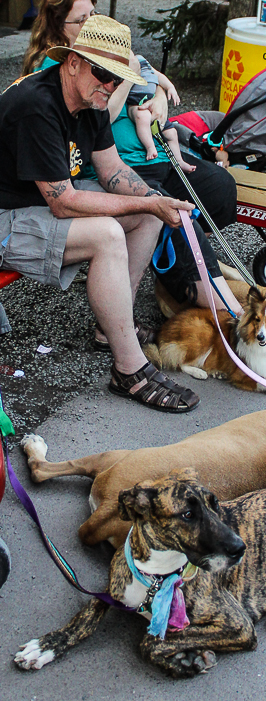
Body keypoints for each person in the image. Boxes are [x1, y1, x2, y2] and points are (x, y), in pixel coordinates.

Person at [0, 14, 202, 413]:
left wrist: (156, 199)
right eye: (101, 73)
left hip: (35, 203)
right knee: (108, 234)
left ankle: (114, 330)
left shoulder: (91, 99)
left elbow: (111, 171)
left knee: (148, 214)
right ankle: (130, 369)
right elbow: (63, 200)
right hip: (5, 214)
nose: (109, 86)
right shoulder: (37, 105)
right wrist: (147, 201)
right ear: (72, 62)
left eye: (115, 78)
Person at [22, 0, 241, 308]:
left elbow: (147, 83)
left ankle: (178, 271)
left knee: (217, 189)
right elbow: (99, 125)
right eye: (81, 20)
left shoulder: (104, 66)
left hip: (149, 154)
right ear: (60, 28)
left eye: (94, 15)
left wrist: (158, 95)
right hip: (104, 170)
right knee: (163, 215)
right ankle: (219, 304)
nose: (91, 25)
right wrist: (126, 77)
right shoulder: (62, 81)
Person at [126, 55, 193, 171]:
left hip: (152, 101)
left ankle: (178, 161)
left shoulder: (141, 60)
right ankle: (150, 147)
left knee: (172, 133)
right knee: (143, 116)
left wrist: (170, 87)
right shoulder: (122, 63)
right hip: (135, 104)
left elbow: (158, 75)